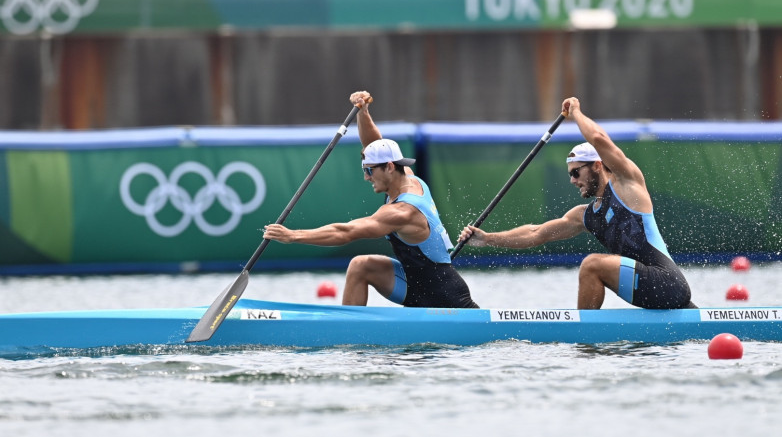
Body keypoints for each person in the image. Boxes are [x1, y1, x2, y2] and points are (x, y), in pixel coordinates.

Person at [458, 97, 695, 310]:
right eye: (570, 175)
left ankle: (584, 342)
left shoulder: (626, 185)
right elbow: (537, 233)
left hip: (667, 282)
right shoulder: (585, 215)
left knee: (592, 265)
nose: (572, 180)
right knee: (592, 264)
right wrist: (488, 238)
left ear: (597, 166)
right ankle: (587, 338)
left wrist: (577, 113)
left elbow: (599, 139)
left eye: (576, 173)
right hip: (652, 289)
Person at [263, 91, 479, 309]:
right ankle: (348, 331)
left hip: (442, 297)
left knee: (360, 263)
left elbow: (345, 232)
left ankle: (348, 329)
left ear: (390, 167)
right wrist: (363, 112)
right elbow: (375, 145)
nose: (366, 177)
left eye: (369, 170)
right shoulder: (407, 178)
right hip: (415, 283)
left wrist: (293, 235)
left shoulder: (402, 212)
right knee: (360, 266)